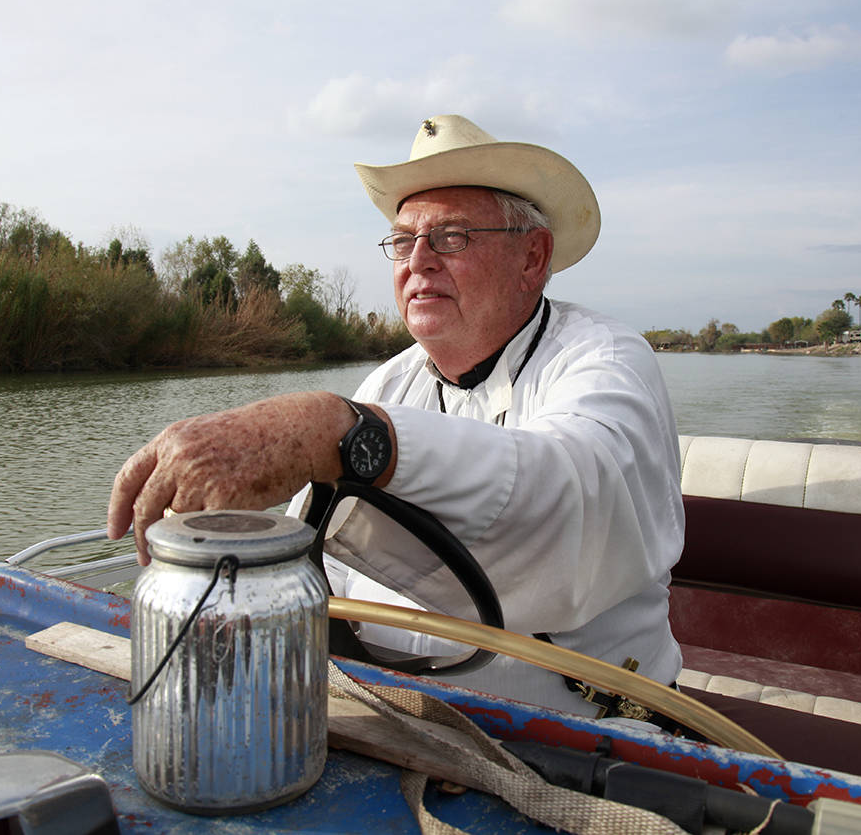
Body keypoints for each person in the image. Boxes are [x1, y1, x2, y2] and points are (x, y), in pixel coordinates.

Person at [107, 114, 685, 720]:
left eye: (453, 236)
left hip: (592, 738)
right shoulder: (390, 380)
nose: (419, 260)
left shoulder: (606, 358)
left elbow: (573, 488)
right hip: (392, 716)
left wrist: (341, 433)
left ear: (531, 258)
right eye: (402, 240)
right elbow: (319, 553)